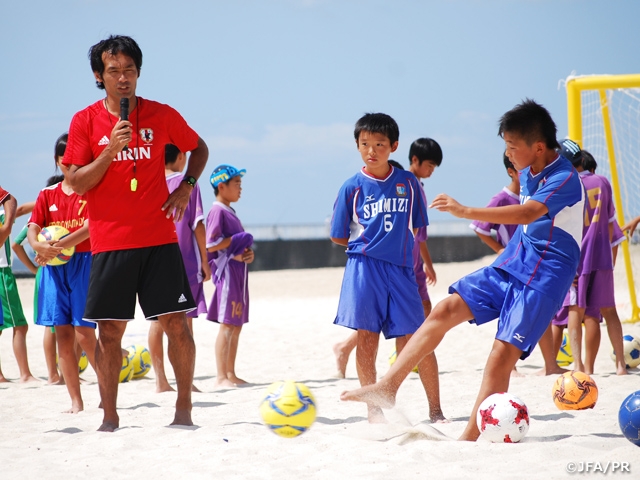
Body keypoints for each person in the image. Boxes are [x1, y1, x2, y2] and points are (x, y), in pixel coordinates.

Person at [341, 100, 585, 440]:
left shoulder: (564, 178)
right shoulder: (529, 169)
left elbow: (528, 214)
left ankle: (469, 438)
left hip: (544, 275)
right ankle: (387, 386)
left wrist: (464, 209)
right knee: (445, 308)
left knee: (501, 355)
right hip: (515, 260)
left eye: (512, 147)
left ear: (539, 147)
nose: (508, 155)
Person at [63, 35, 209, 431]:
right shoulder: (85, 121)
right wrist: (110, 151)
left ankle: (184, 410)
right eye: (114, 71)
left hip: (159, 240)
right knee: (109, 332)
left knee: (176, 323)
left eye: (129, 70)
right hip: (110, 243)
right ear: (99, 76)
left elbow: (199, 149)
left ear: (139, 73)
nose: (123, 78)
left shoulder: (162, 114)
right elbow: (76, 182)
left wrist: (186, 187)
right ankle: (109, 416)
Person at [331, 113, 441, 423]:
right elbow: (338, 235)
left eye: (379, 144)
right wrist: (369, 243)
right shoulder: (351, 186)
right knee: (367, 338)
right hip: (364, 269)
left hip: (403, 270)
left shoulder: (408, 182)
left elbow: (419, 226)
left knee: (417, 337)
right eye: (365, 144)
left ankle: (436, 410)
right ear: (357, 145)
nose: (372, 151)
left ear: (393, 146)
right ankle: (373, 410)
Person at [28, 133, 98, 413]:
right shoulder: (47, 195)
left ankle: (106, 392)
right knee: (63, 337)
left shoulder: (92, 191)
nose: (71, 165)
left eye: (78, 160)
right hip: (53, 270)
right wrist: (37, 246)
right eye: (65, 160)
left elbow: (93, 226)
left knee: (85, 334)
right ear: (58, 161)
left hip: (84, 263)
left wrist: (58, 245)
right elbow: (33, 227)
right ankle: (76, 401)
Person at [559, 141, 627, 375]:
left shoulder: (567, 186)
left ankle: (578, 366)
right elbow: (610, 225)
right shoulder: (602, 182)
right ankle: (620, 366)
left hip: (577, 258)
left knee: (575, 311)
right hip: (601, 257)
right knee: (609, 311)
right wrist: (606, 257)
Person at [149, 144, 211, 393]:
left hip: (153, 259)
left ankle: (160, 381)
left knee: (157, 321)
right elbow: (198, 225)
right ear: (182, 157)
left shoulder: (149, 183)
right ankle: (185, 380)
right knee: (185, 321)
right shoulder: (188, 184)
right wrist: (205, 261)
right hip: (184, 259)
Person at [12, 174, 65, 384]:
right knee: (52, 325)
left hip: (64, 270)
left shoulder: (64, 212)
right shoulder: (42, 213)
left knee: (65, 324)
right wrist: (35, 270)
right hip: (48, 273)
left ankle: (64, 373)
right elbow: (16, 243)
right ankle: (53, 374)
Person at [206, 164, 254, 388]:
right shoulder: (217, 211)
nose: (240, 189)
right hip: (227, 274)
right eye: (237, 184)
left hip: (239, 272)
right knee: (227, 324)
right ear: (221, 186)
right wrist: (237, 243)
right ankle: (221, 376)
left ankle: (231, 373)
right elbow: (211, 243)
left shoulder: (229, 211)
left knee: (236, 324)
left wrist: (246, 253)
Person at [0, 188, 38, 383]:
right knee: (20, 325)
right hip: (2, 272)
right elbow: (19, 207)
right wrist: (46, 198)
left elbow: (21, 208)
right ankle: (25, 374)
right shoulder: (2, 214)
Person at [469, 153, 520, 254]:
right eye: (523, 169)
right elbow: (478, 226)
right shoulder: (501, 199)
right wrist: (499, 249)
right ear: (511, 172)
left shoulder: (532, 196)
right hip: (511, 259)